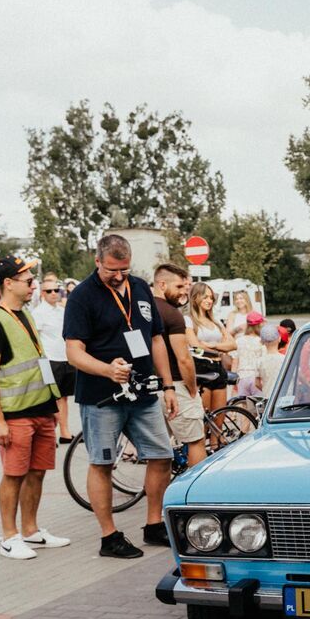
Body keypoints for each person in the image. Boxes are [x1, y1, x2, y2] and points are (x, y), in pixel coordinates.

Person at [63, 234, 178, 559]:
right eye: (111, 270)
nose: (118, 276)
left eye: (124, 270)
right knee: (102, 463)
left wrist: (168, 385)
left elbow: (156, 338)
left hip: (143, 393)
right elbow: (73, 352)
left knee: (161, 455)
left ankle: (154, 524)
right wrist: (106, 370)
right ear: (97, 261)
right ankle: (109, 536)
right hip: (101, 397)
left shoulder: (140, 288)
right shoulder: (82, 297)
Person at [0, 256, 71, 561]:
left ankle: (31, 530)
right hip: (15, 414)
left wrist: (54, 405)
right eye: (28, 280)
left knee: (38, 472)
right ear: (8, 283)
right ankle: (9, 536)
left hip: (41, 409)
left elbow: (39, 362)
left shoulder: (26, 315)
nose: (34, 285)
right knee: (14, 474)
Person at [152, 264, 206, 469]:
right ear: (162, 284)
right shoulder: (172, 314)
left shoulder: (142, 309)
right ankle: (195, 494)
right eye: (180, 286)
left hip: (151, 386)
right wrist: (192, 388)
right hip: (175, 385)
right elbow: (183, 358)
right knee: (195, 441)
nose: (185, 291)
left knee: (158, 451)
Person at [31, 273, 75, 444]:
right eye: (49, 291)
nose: (54, 293)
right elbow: (35, 340)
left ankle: (65, 432)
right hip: (49, 360)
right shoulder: (38, 313)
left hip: (65, 358)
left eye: (57, 290)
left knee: (63, 397)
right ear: (42, 293)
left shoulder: (62, 311)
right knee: (51, 398)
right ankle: (49, 434)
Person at [187, 282, 236, 415]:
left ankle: (217, 437)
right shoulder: (189, 320)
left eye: (211, 298)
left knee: (219, 418)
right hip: (201, 368)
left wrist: (213, 345)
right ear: (196, 297)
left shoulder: (216, 321)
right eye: (206, 297)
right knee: (205, 419)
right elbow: (196, 346)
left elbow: (233, 345)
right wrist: (221, 348)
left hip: (219, 367)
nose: (209, 301)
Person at [234, 311, 265, 397]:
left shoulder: (239, 340)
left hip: (242, 377)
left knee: (244, 407)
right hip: (256, 377)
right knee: (258, 407)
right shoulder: (261, 342)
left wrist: (233, 379)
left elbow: (235, 361)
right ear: (259, 326)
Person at [258, 324, 285, 398]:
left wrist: (265, 389)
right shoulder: (285, 359)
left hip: (268, 398)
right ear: (279, 339)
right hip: (283, 397)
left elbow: (256, 383)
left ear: (262, 342)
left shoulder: (260, 361)